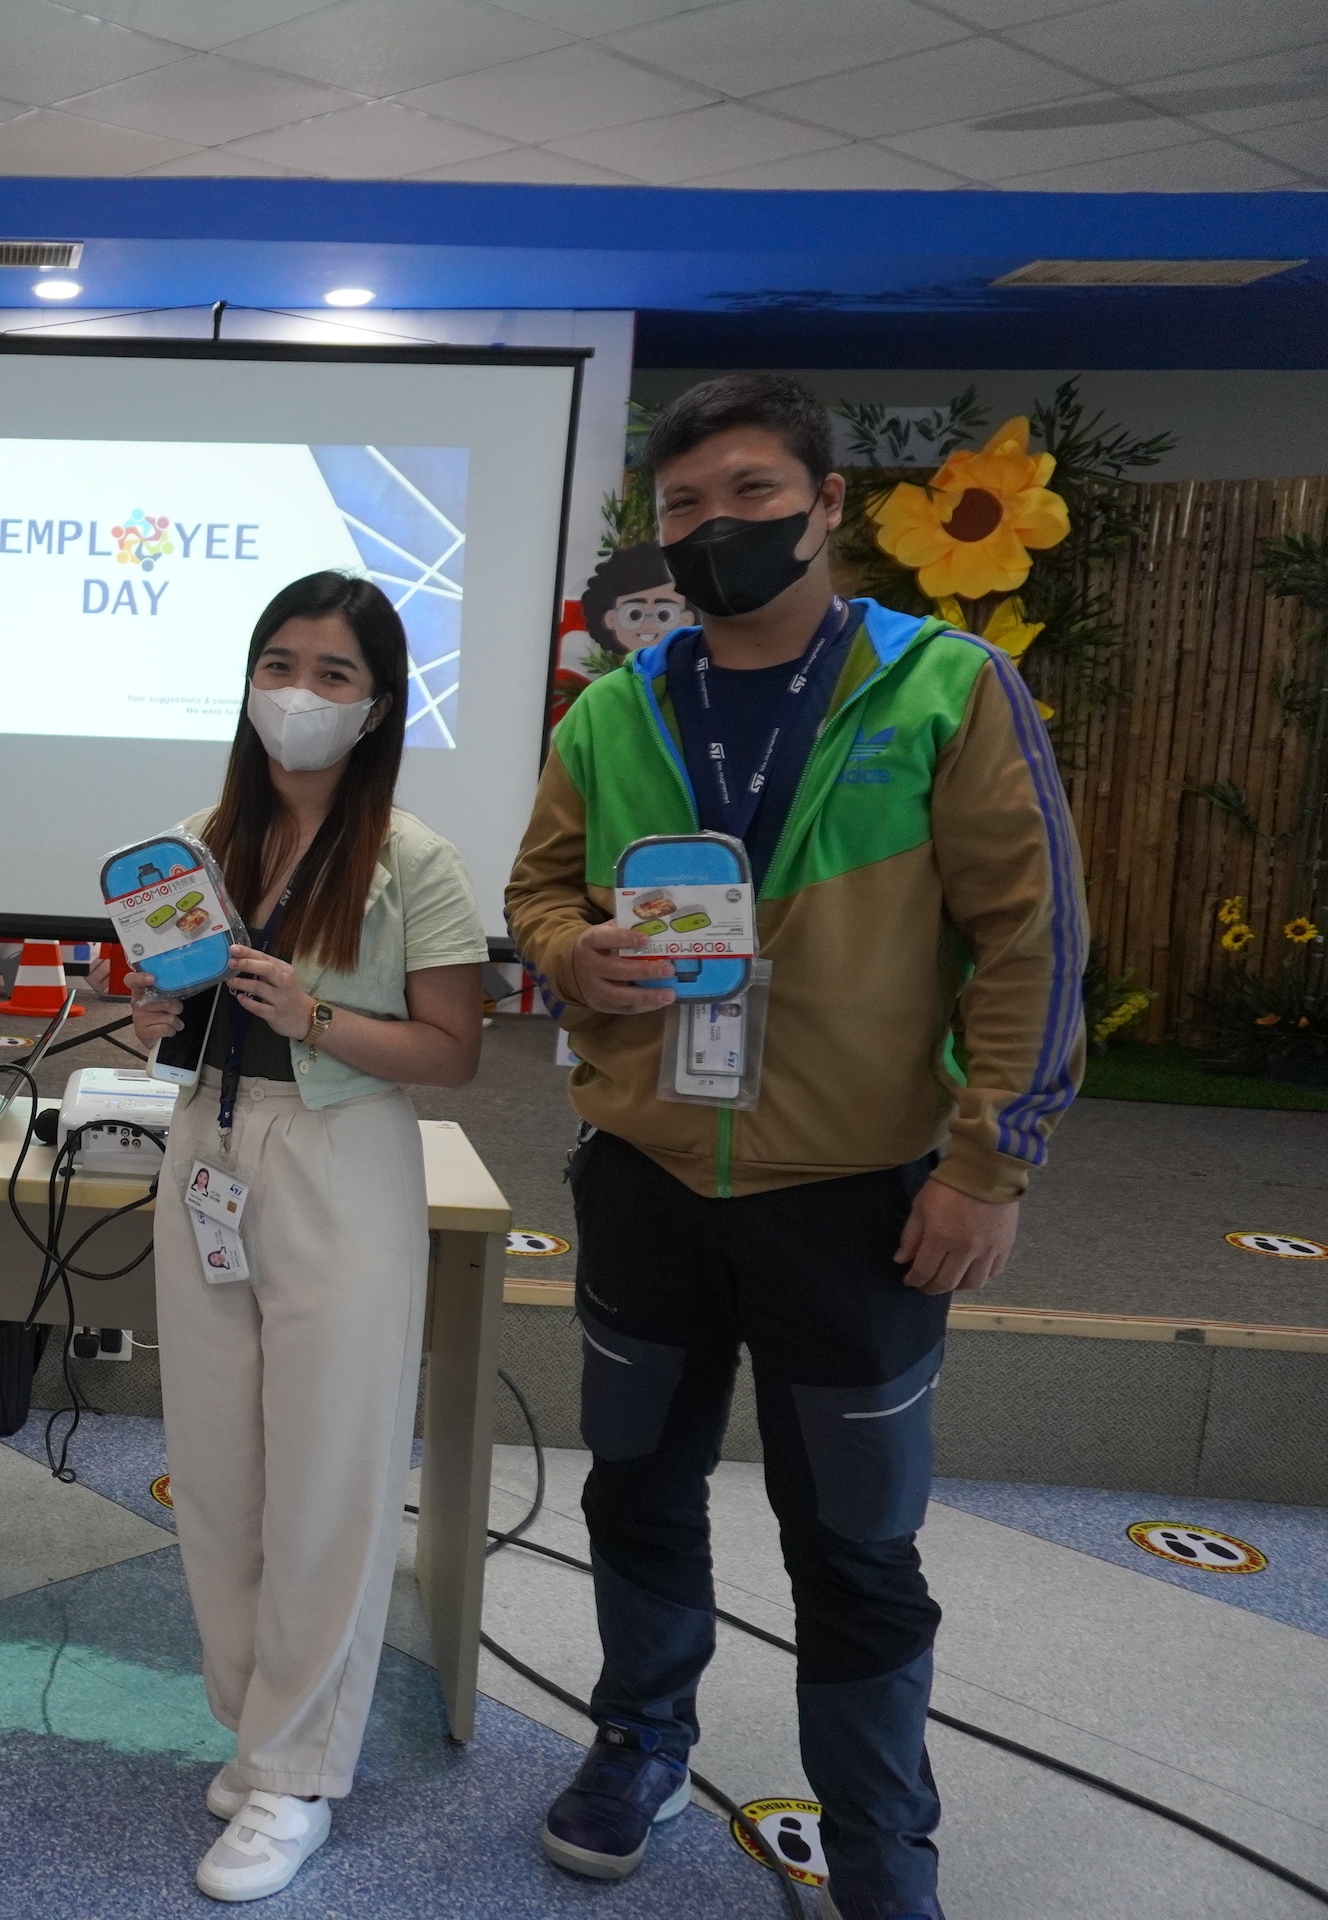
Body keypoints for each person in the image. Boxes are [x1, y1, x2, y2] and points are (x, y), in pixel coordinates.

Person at [506, 373, 1084, 1920]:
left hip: (862, 1199)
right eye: (685, 506)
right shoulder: (616, 709)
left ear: (827, 504)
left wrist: (987, 1167)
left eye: (752, 494)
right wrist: (573, 955)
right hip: (647, 1178)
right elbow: (540, 892)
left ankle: (883, 1843)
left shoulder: (946, 689)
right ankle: (639, 1739)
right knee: (636, 1489)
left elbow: (1031, 939)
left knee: (855, 1541)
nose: (718, 527)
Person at [125, 570, 487, 1903]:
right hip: (208, 1152)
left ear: (377, 705)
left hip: (344, 1159)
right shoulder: (196, 841)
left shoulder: (414, 859)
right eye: (279, 664)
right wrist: (154, 1016)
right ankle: (257, 1729)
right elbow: (169, 1003)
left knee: (330, 1472)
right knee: (219, 1468)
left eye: (335, 674)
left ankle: (299, 1774)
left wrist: (315, 1014)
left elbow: (453, 1051)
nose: (300, 693)